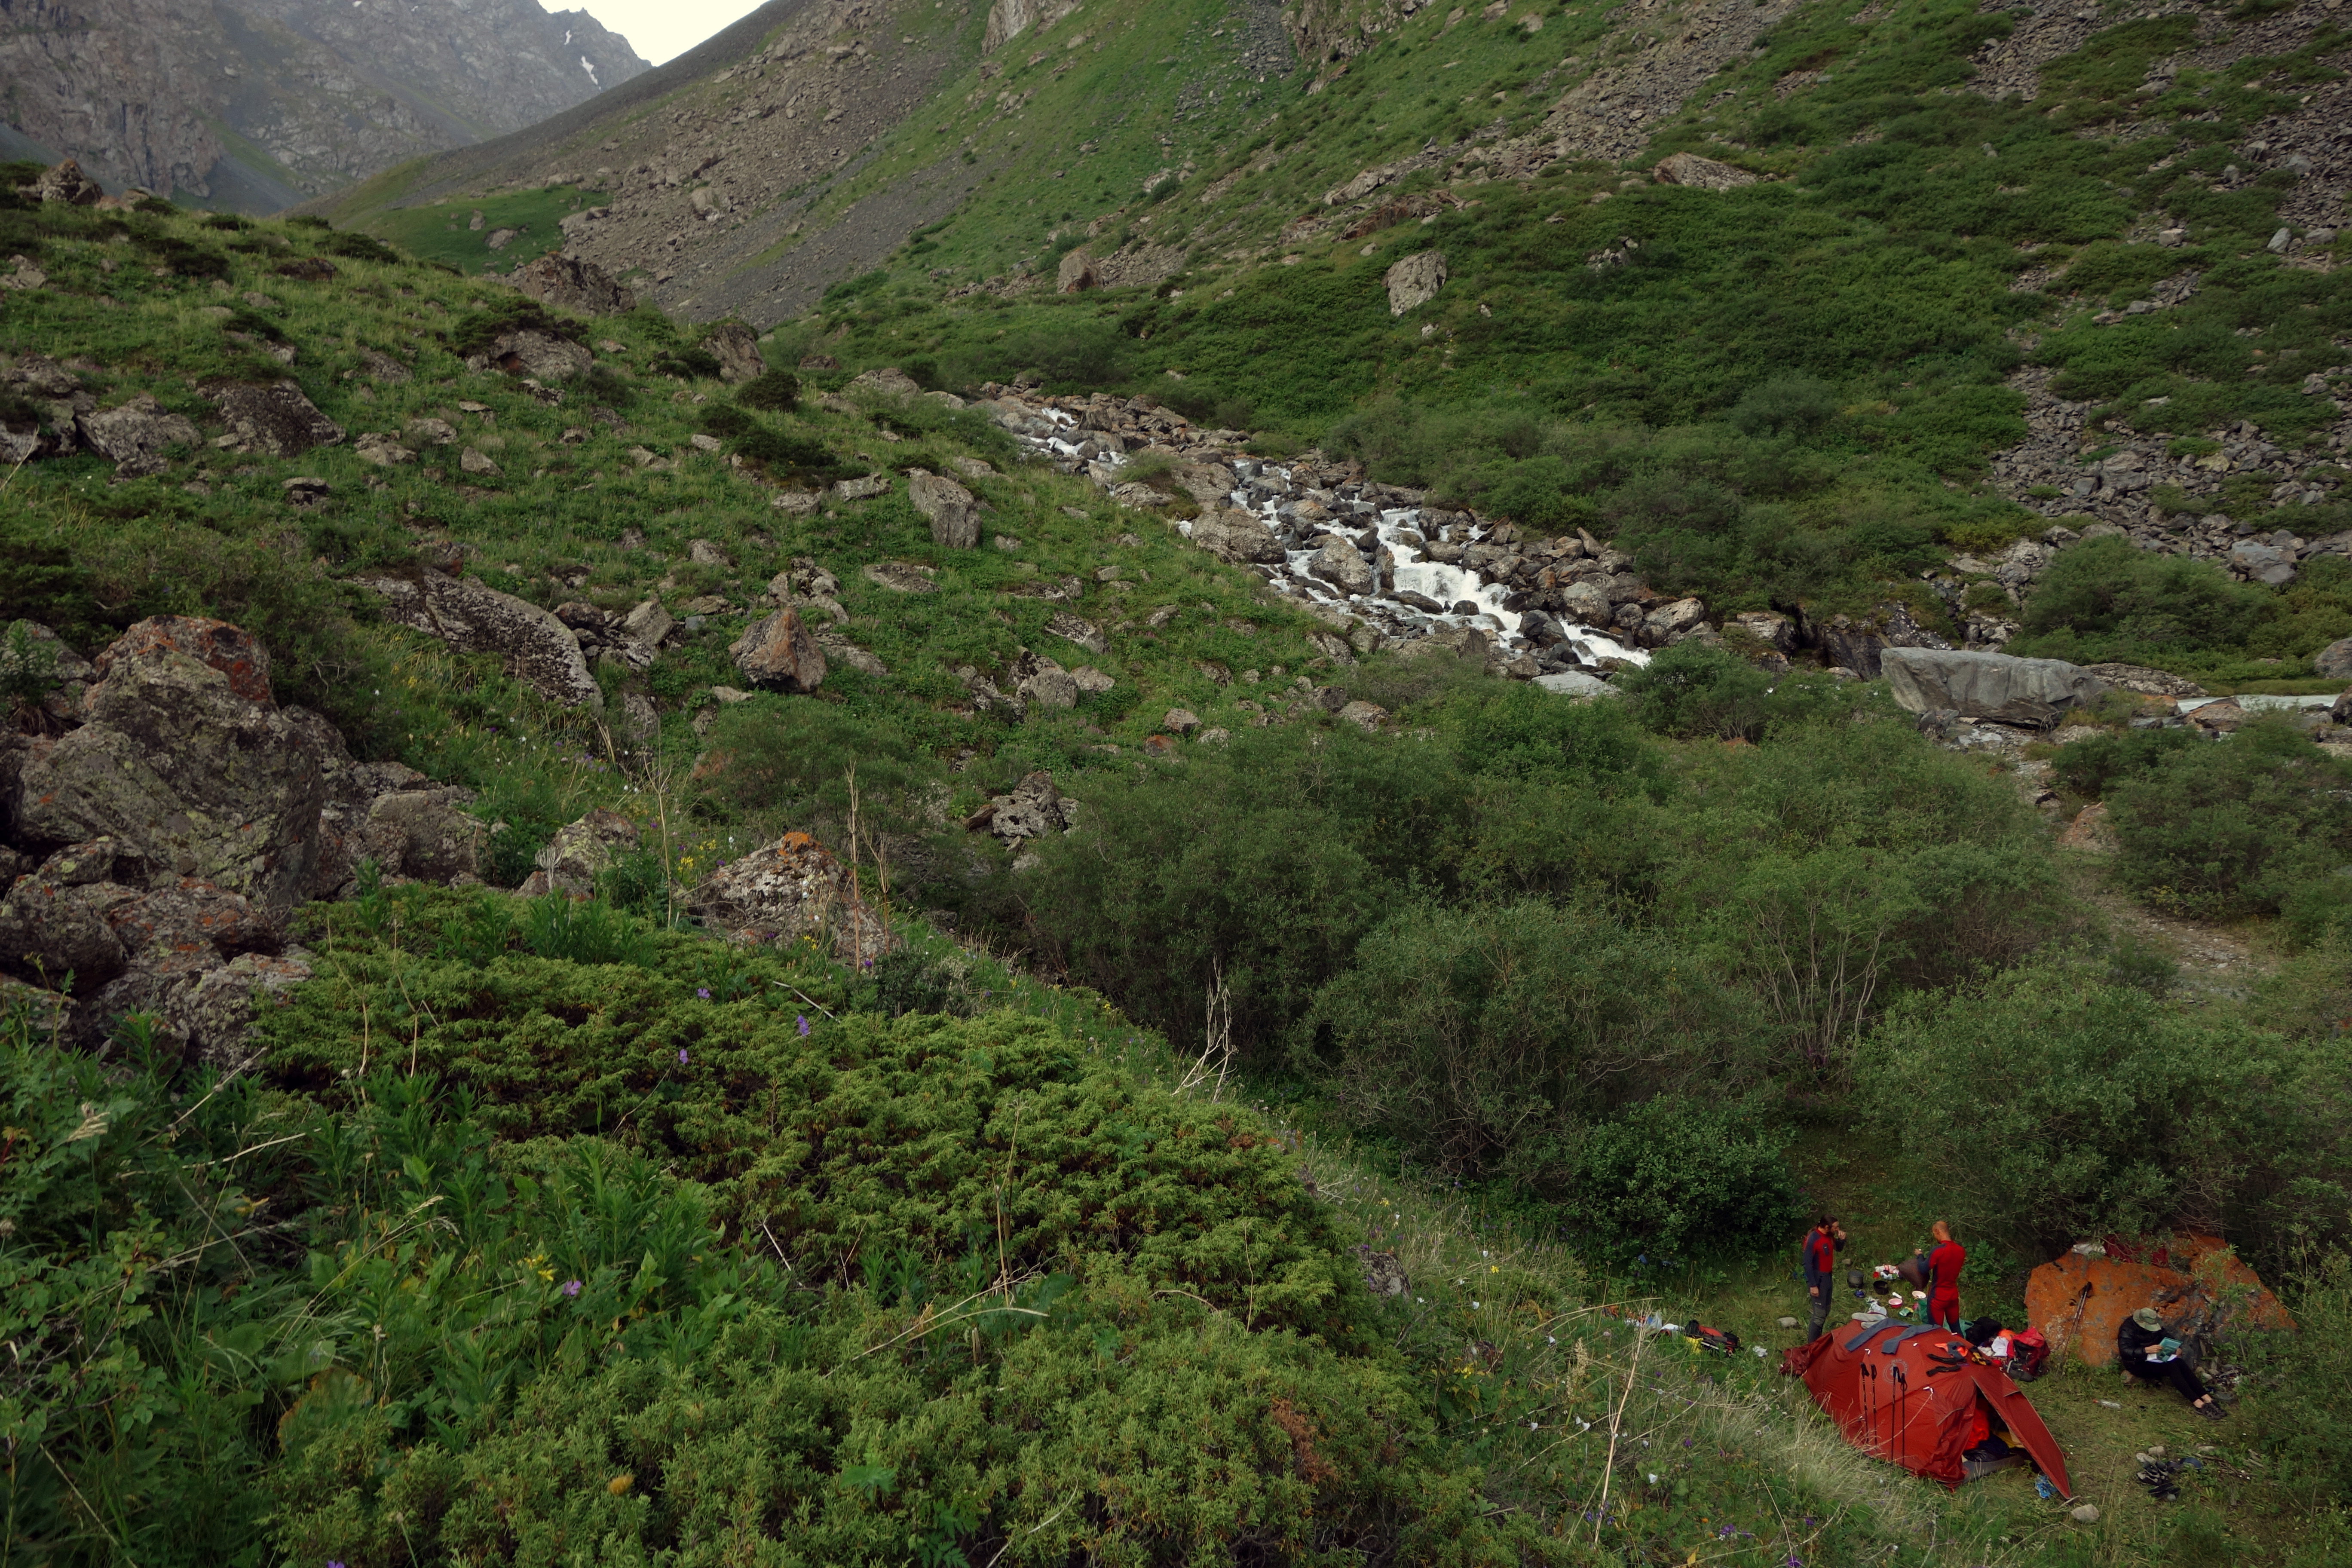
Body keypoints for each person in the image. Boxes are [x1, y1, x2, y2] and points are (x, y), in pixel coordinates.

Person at [2118, 1306, 2223, 1418]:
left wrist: (2175, 1347)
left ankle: (2206, 1397)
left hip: (2155, 1357)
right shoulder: (2127, 1329)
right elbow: (2125, 1351)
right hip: (2137, 1363)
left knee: (2179, 1363)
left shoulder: (2155, 1324)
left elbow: (2165, 1335)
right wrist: (2145, 1350)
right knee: (2171, 1367)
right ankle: (2198, 1403)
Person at [1800, 1215, 1847, 1339]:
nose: (1838, 1229)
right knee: (1819, 1315)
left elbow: (1839, 1249)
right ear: (1827, 1227)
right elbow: (1807, 1264)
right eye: (1836, 1227)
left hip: (1828, 1277)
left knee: (1826, 1310)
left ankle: (1818, 1340)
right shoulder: (1813, 1239)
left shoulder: (1829, 1236)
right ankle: (1812, 1346)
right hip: (1818, 1279)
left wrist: (1841, 1240)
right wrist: (1813, 1285)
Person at [1926, 1220, 1965, 1331]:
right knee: (1956, 1329)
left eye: (1934, 1234)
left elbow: (1923, 1268)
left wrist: (1919, 1257)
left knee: (1936, 1331)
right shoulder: (1961, 1251)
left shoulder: (1938, 1250)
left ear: (1938, 1232)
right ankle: (1964, 1347)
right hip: (1953, 1296)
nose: (1935, 1237)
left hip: (1937, 1297)